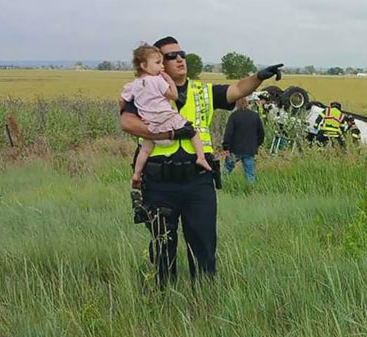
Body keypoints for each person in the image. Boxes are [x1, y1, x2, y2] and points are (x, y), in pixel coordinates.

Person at [120, 35, 283, 287]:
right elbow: (127, 123)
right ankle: (163, 299)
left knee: (204, 246)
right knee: (163, 247)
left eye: (182, 54)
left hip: (198, 181)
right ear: (157, 63)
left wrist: (259, 76)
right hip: (159, 182)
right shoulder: (144, 89)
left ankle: (204, 301)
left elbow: (238, 89)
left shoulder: (202, 91)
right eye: (171, 56)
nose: (180, 59)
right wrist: (171, 134)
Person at [120, 44, 211, 189]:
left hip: (151, 125)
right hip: (167, 119)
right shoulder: (157, 81)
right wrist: (168, 80)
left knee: (145, 150)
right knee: (192, 132)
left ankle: (137, 173)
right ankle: (201, 158)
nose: (161, 66)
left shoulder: (133, 85)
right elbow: (173, 95)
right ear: (144, 65)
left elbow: (122, 100)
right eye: (158, 63)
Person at [223, 98, 265, 183]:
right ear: (247, 104)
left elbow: (228, 133)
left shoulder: (234, 116)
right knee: (250, 174)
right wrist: (256, 145)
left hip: (234, 150)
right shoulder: (255, 116)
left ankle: (220, 186)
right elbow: (261, 133)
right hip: (250, 149)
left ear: (237, 104)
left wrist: (226, 147)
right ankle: (250, 191)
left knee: (226, 171)